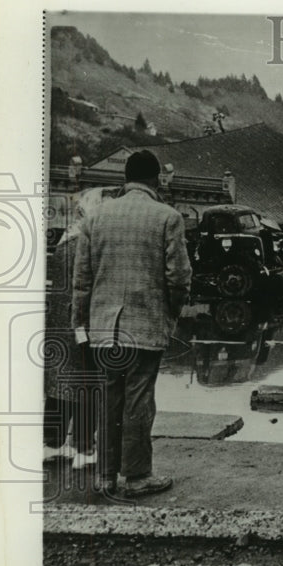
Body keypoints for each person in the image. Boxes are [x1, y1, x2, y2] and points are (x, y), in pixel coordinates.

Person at [72, 150, 192, 497]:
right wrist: (171, 313)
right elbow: (179, 277)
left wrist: (81, 327)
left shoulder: (95, 218)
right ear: (155, 180)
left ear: (126, 178)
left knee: (109, 399)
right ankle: (138, 477)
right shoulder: (167, 217)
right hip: (145, 327)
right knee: (139, 401)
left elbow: (82, 279)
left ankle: (105, 477)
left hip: (103, 330)